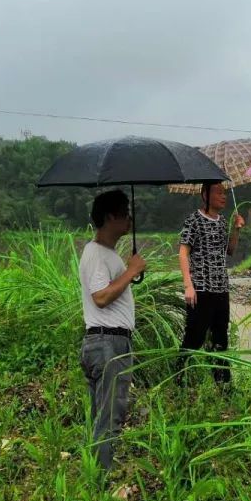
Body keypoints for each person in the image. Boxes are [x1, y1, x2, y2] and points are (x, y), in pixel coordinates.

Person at [79, 189, 146, 471]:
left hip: (107, 343)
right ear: (110, 217)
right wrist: (130, 272)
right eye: (125, 212)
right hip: (108, 344)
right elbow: (101, 297)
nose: (130, 218)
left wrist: (130, 270)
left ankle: (96, 475)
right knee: (109, 417)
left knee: (101, 415)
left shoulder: (107, 254)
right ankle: (100, 484)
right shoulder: (96, 253)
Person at [177, 181, 244, 385]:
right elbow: (183, 252)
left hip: (221, 289)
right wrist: (188, 285)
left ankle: (223, 383)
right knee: (194, 337)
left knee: (220, 338)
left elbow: (229, 251)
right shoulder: (194, 220)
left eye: (224, 193)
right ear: (205, 195)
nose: (223, 196)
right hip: (201, 289)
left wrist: (236, 229)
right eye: (218, 192)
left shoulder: (223, 221)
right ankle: (179, 376)